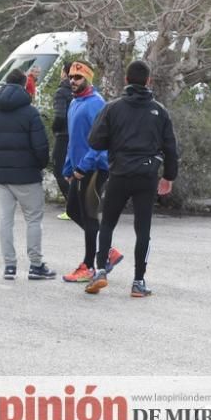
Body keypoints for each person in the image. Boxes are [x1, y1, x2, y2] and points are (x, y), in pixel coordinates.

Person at [84, 60, 179, 297]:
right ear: (149, 81)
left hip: (119, 172)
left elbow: (94, 141)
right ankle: (138, 281)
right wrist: (168, 176)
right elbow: (171, 147)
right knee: (143, 229)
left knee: (107, 223)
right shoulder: (160, 111)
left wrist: (116, 143)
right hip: (147, 175)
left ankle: (101, 272)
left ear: (126, 80)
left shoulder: (112, 108)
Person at [0, 69, 55, 281]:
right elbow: (41, 147)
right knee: (33, 220)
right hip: (28, 174)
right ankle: (36, 265)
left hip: (2, 175)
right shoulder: (30, 112)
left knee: (5, 221)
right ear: (23, 85)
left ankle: (9, 266)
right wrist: (39, 165)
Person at [59, 61, 124, 284]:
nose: (72, 81)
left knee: (88, 214)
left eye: (77, 77)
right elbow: (73, 139)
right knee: (73, 210)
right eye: (70, 77)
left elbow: (101, 143)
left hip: (95, 168)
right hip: (78, 168)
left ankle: (88, 265)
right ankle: (107, 251)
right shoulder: (74, 103)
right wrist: (69, 167)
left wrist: (82, 167)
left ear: (88, 79)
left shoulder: (97, 104)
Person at [50, 62, 73, 219]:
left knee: (59, 170)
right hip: (78, 135)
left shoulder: (61, 92)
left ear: (65, 73)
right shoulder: (84, 90)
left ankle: (72, 207)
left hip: (64, 135)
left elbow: (59, 115)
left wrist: (55, 129)